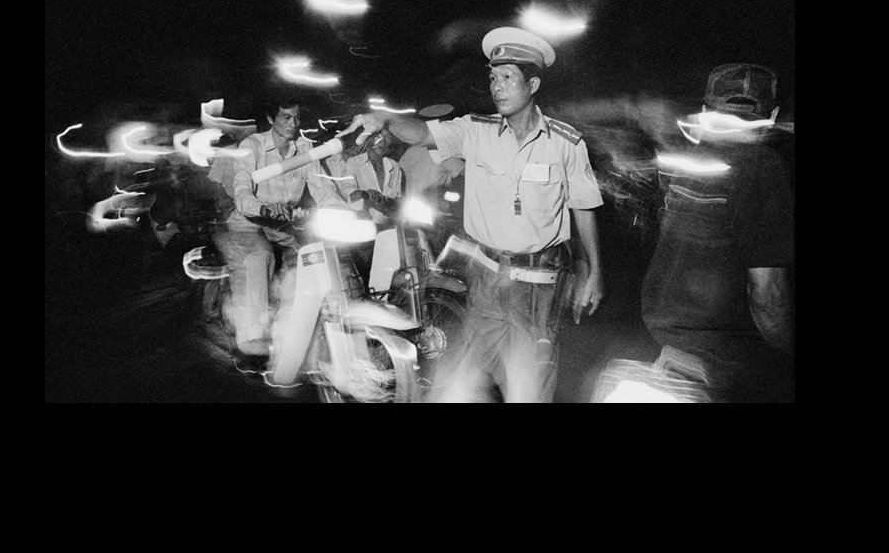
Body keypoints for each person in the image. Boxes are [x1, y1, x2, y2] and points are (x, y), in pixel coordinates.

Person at [344, 28, 604, 402]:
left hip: (536, 287)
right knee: (458, 383)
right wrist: (383, 118)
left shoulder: (566, 143)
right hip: (485, 281)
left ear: (532, 84)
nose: (497, 87)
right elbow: (420, 134)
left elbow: (583, 206)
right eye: (493, 78)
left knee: (527, 388)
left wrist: (594, 270)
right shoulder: (473, 131)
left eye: (508, 78)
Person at [640, 63, 793, 401]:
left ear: (707, 109)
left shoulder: (688, 163)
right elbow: (768, 294)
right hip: (730, 366)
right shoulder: (763, 169)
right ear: (773, 114)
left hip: (672, 350)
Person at [215, 99, 345, 375]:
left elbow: (322, 190)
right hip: (249, 221)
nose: (293, 124)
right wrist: (262, 207)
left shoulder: (306, 148)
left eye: (297, 118)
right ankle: (251, 338)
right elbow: (242, 191)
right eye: (286, 117)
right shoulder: (252, 146)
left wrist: (342, 212)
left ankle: (290, 331)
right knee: (259, 255)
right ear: (271, 118)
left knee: (313, 261)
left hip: (285, 226)